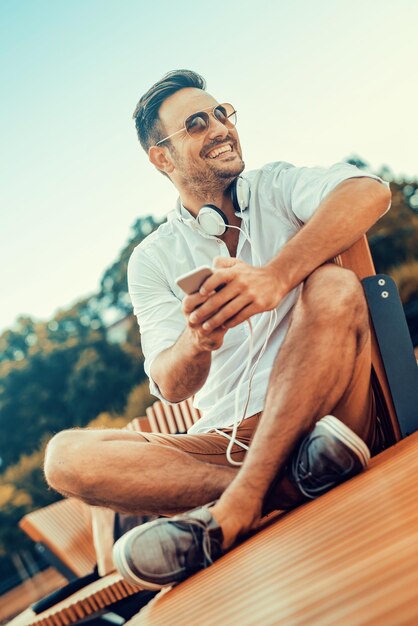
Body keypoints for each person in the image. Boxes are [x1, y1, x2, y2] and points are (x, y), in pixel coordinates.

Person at [44, 70, 391, 590]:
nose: (222, 127)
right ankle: (286, 487)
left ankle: (237, 505)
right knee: (65, 458)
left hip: (328, 419)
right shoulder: (151, 259)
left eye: (223, 113)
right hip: (226, 441)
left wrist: (277, 276)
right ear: (162, 157)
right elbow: (170, 382)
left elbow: (368, 192)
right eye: (198, 123)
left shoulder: (276, 185)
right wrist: (198, 341)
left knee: (334, 285)